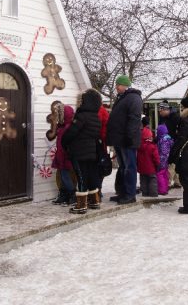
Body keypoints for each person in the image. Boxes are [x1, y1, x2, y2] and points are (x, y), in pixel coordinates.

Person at [62, 89, 104, 214]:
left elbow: (72, 133)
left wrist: (64, 142)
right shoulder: (95, 117)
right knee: (91, 175)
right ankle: (94, 201)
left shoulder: (81, 116)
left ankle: (81, 205)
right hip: (92, 151)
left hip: (79, 151)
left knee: (81, 176)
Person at [106, 75, 143, 205]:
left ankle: (130, 194)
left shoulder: (134, 98)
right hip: (119, 139)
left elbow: (134, 119)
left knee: (129, 167)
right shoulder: (122, 98)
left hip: (127, 140)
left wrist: (129, 137)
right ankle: (122, 192)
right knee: (123, 167)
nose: (116, 87)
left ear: (125, 85)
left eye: (118, 84)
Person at [51, 104, 76, 205]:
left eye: (59, 114)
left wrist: (63, 156)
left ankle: (72, 194)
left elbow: (67, 144)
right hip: (60, 155)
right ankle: (64, 194)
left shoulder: (68, 127)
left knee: (65, 176)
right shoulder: (62, 127)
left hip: (65, 156)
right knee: (62, 176)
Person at [137, 119, 160, 197]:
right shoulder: (152, 146)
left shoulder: (138, 147)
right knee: (152, 180)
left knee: (143, 180)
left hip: (142, 168)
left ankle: (145, 193)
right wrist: (158, 164)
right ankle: (153, 194)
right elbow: (156, 157)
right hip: (151, 168)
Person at [156, 124, 172, 195]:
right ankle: (165, 188)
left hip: (162, 159)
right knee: (165, 173)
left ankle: (162, 190)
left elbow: (163, 152)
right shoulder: (168, 138)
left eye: (157, 131)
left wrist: (159, 160)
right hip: (167, 159)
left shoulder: (163, 140)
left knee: (160, 174)